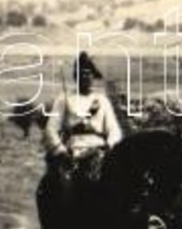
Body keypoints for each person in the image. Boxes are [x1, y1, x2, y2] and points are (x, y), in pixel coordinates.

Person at [43, 51, 123, 184]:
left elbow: (114, 130)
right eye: (82, 74)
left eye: (89, 74)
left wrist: (109, 145)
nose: (86, 77)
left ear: (93, 76)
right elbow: (50, 130)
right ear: (76, 76)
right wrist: (61, 151)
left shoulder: (102, 101)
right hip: (75, 151)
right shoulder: (64, 100)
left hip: (100, 152)